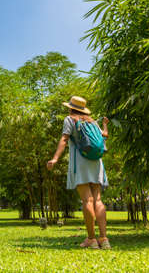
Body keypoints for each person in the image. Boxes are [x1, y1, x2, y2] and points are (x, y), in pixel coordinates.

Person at [47, 96, 111, 249]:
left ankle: (91, 239)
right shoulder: (92, 121)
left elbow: (64, 139)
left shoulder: (70, 119)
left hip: (80, 162)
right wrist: (105, 125)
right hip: (96, 162)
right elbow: (104, 136)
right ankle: (104, 239)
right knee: (97, 200)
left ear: (70, 107)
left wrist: (55, 158)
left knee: (87, 200)